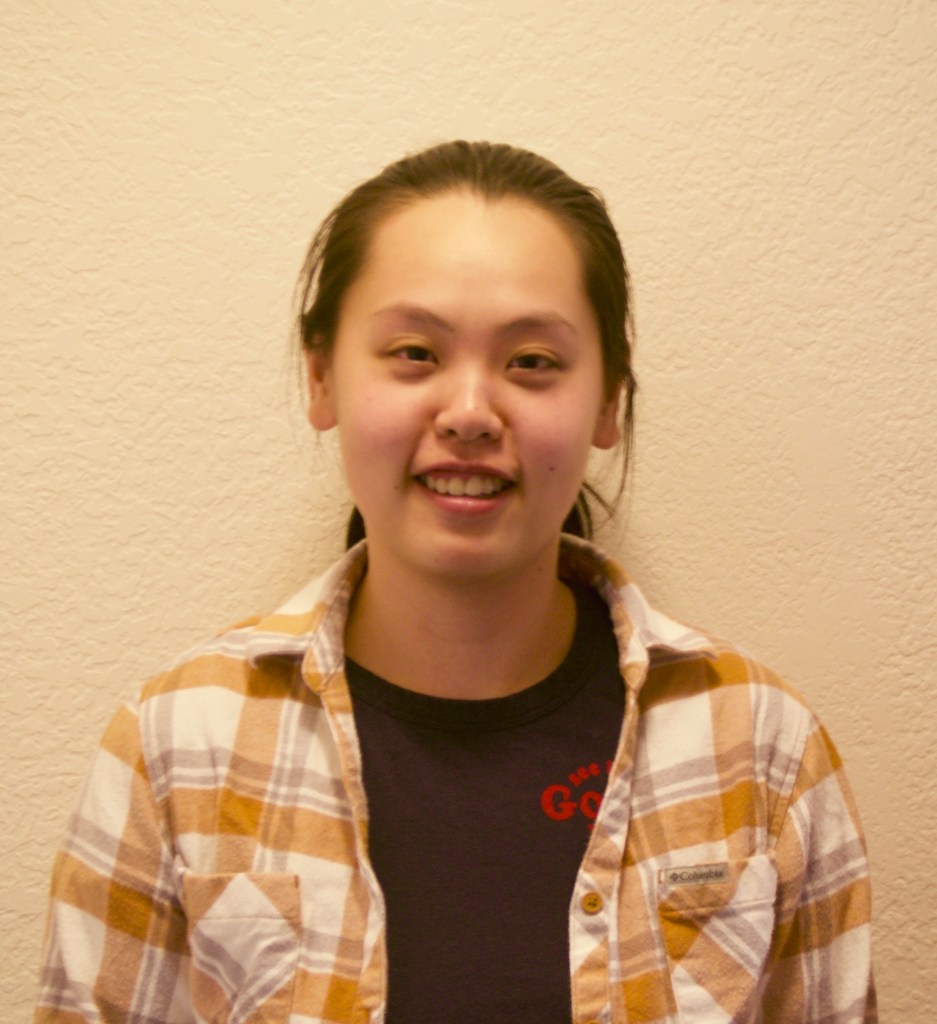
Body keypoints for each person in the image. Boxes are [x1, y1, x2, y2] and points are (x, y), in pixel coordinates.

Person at [34, 140, 876, 1024]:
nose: (470, 412)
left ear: (607, 402)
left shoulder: (762, 751)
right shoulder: (175, 746)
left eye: (531, 362)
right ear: (321, 376)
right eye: (412, 352)